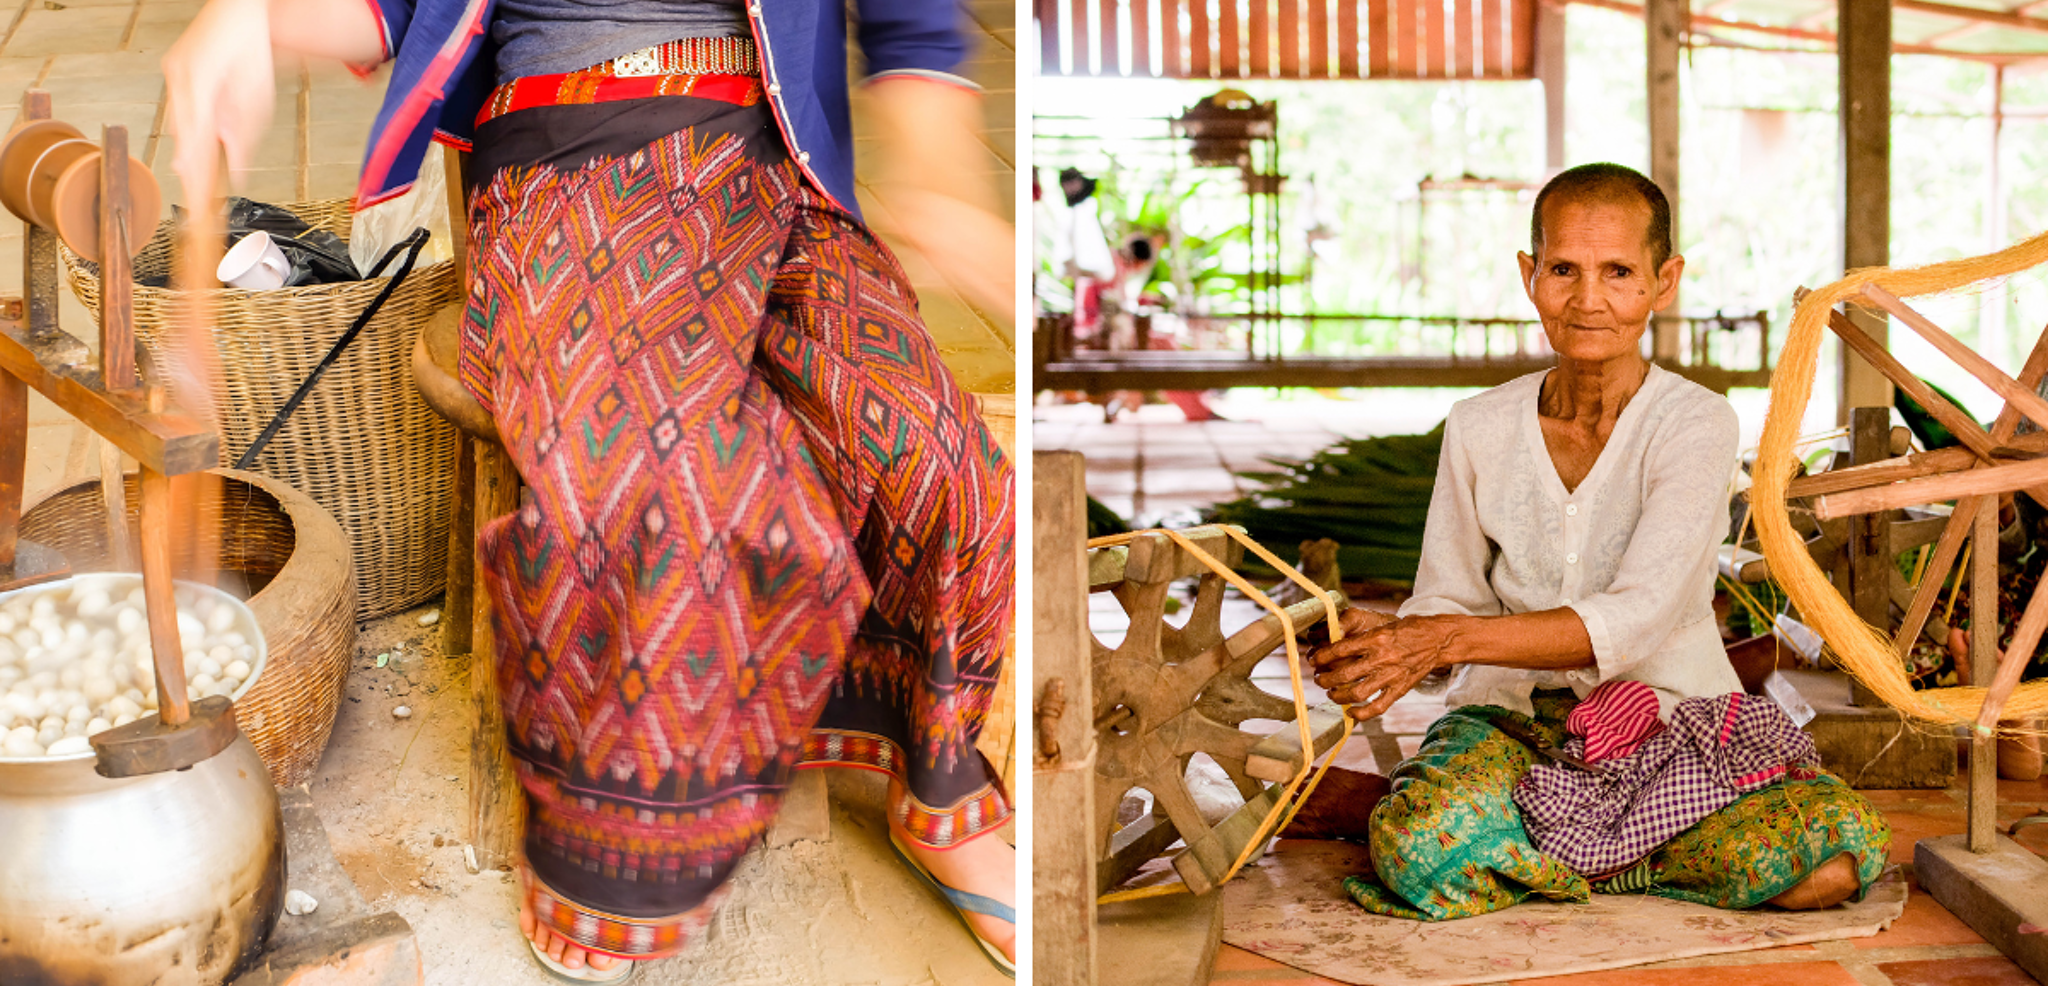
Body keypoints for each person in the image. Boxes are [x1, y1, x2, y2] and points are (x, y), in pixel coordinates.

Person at [163, 0, 1017, 979]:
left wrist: (942, 178)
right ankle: (618, 868)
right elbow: (386, 11)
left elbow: (913, 28)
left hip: (773, 169)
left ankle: (937, 783)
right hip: (565, 169)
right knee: (672, 484)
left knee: (929, 446)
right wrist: (250, 16)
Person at [1303, 163, 1888, 921]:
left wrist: (1440, 638)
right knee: (1419, 850)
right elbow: (1448, 596)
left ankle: (1524, 839)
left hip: (1672, 722)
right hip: (1508, 720)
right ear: (1530, 274)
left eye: (1619, 272)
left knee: (1830, 858)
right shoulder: (1477, 425)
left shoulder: (1696, 423)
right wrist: (1397, 642)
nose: (1588, 301)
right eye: (1563, 270)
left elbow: (1638, 616)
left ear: (1663, 280)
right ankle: (1607, 841)